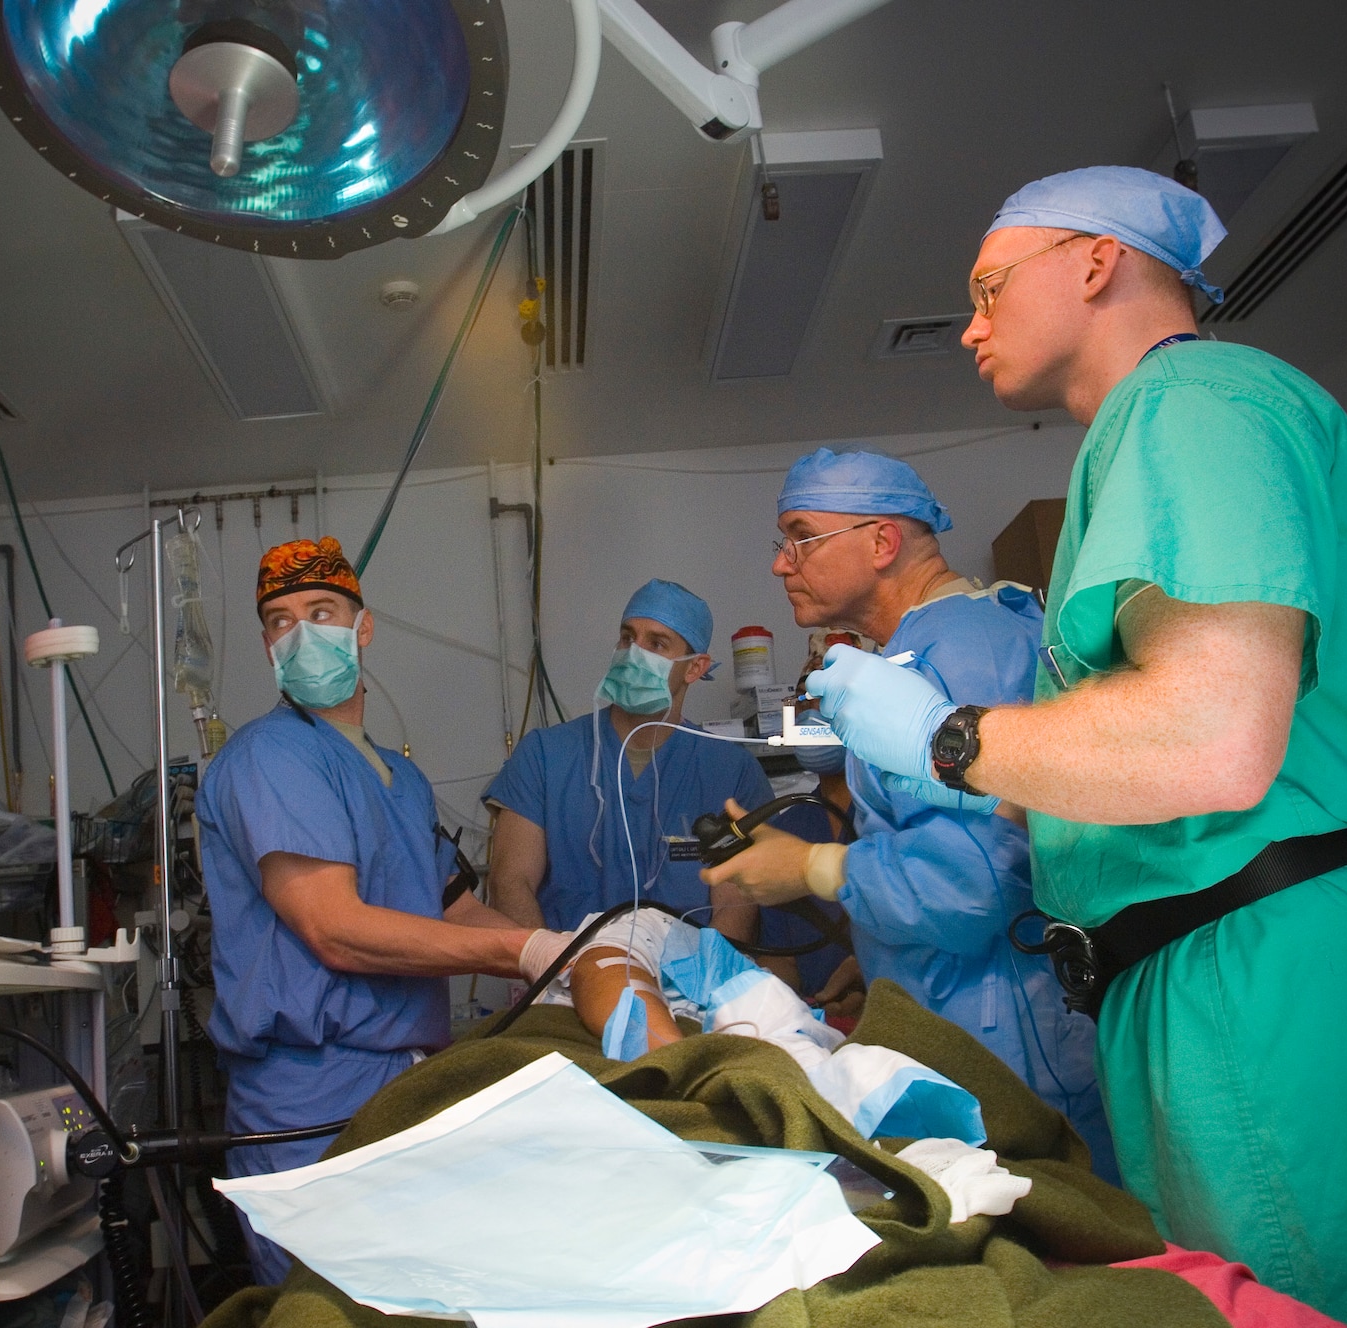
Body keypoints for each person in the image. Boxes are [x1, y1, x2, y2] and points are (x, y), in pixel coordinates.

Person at [804, 166, 1347, 1326]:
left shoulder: (1189, 402)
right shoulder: (1154, 435)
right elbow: (1161, 760)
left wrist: (946, 738)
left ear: (1095, 263)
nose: (967, 325)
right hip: (1228, 961)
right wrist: (1000, 795)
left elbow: (1207, 737)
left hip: (1273, 966)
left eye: (990, 286)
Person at [701, 448, 1115, 1183]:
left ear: (882, 542)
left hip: (1009, 1053)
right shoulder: (937, 647)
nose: (779, 564)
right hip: (980, 1015)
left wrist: (811, 869)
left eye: (800, 536)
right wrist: (882, 956)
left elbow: (976, 882)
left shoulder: (957, 651)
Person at [197, 537, 566, 1284]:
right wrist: (522, 956)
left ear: (362, 627)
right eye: (279, 619)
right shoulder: (270, 759)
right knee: (332, 1302)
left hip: (406, 1080)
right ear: (266, 643)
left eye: (321, 611)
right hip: (310, 1092)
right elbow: (336, 930)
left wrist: (570, 949)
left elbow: (451, 905)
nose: (300, 633)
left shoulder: (398, 777)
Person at [483, 579, 772, 941]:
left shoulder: (730, 771)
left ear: (695, 668)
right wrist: (550, 970)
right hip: (563, 974)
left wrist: (701, 982)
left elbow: (735, 905)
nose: (635, 652)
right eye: (627, 637)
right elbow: (510, 881)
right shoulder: (544, 756)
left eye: (656, 643)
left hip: (685, 984)